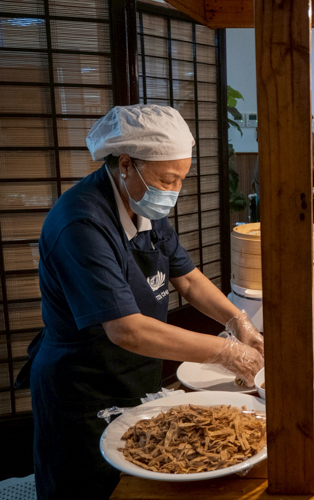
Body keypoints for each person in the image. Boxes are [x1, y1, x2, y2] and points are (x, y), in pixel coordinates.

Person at [22, 105, 265, 500]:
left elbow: (186, 278)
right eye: (167, 179)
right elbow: (127, 329)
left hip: (134, 375)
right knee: (88, 487)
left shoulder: (142, 205)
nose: (174, 191)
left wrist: (239, 321)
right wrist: (227, 352)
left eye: (181, 179)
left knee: (141, 479)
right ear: (125, 164)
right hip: (82, 384)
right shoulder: (81, 223)